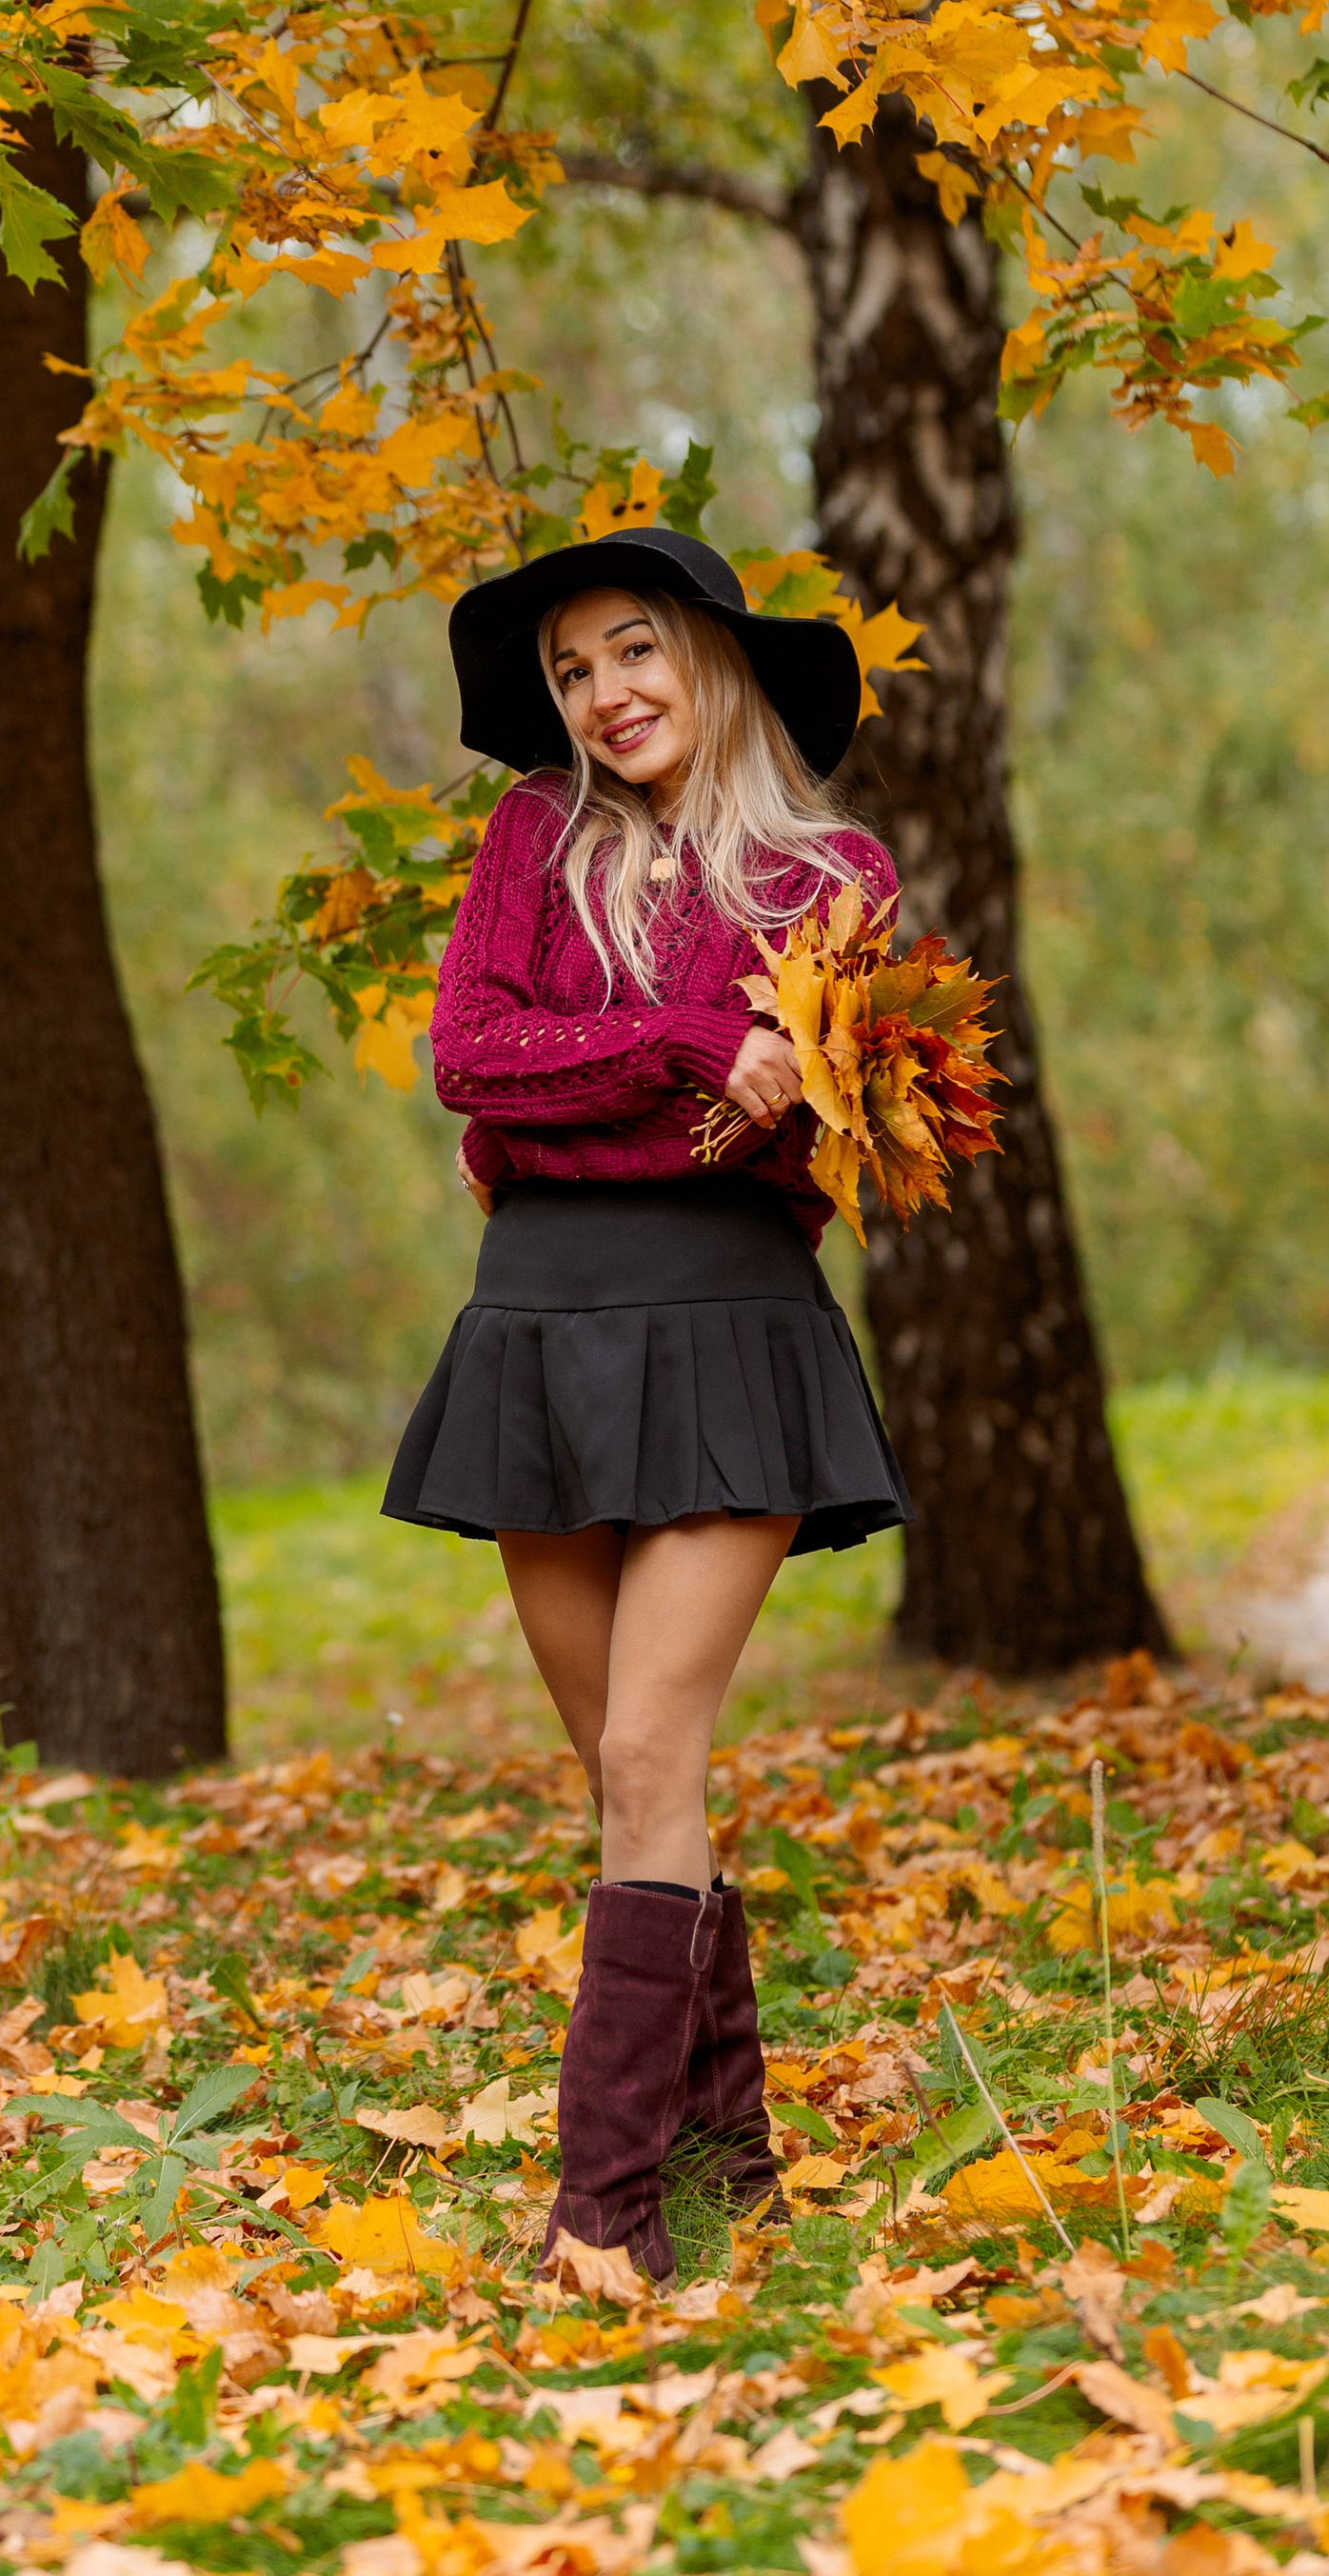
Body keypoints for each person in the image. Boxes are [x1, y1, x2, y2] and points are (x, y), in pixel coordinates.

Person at [382, 524, 909, 2278]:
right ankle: (731, 2164)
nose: (604, 693)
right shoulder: (534, 836)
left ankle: (601, 2213)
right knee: (623, 1780)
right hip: (537, 1325)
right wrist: (684, 1047)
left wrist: (560, 1115)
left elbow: (782, 1139)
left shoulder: (835, 877)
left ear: (712, 655)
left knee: (644, 1752)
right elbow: (471, 1056)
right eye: (569, 671)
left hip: (728, 1325)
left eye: (633, 649)